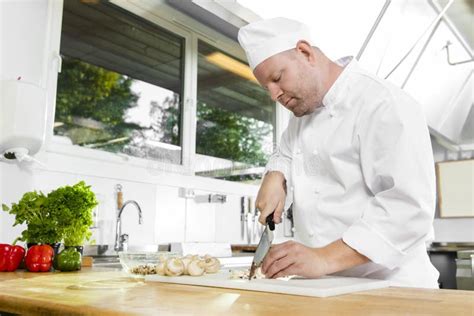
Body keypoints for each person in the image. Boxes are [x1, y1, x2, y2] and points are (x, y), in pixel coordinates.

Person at [238, 17, 439, 288]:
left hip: (393, 288)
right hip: (327, 289)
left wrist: (322, 259)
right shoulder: (302, 114)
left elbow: (408, 209)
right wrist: (276, 174)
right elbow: (285, 151)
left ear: (305, 52)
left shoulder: (383, 103)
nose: (274, 95)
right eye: (267, 88)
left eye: (277, 78)